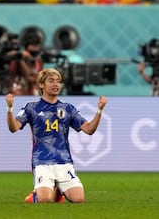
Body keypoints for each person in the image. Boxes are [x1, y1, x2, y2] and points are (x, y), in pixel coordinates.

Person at [6, 68, 108, 203]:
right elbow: (14, 127)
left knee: (79, 199)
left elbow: (89, 129)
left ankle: (58, 190)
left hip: (64, 161)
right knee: (45, 200)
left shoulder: (68, 108)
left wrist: (99, 111)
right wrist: (10, 109)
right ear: (41, 85)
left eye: (58, 81)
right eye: (51, 81)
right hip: (42, 162)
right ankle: (36, 195)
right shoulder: (31, 107)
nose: (56, 84)